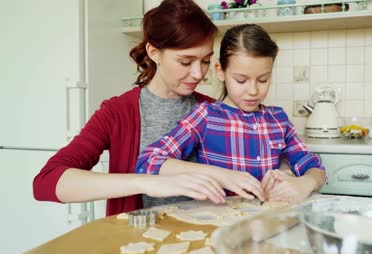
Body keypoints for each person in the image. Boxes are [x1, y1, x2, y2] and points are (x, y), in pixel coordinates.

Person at [32, 0, 262, 216]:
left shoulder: (215, 112)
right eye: (185, 61)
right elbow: (47, 182)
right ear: (154, 53)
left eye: (204, 61)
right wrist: (147, 182)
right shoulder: (118, 113)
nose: (198, 73)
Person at [136, 24, 327, 203]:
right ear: (221, 71)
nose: (253, 91)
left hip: (267, 224)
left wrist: (305, 183)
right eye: (241, 80)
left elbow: (314, 166)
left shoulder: (278, 119)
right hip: (218, 226)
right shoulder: (206, 116)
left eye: (263, 80)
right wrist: (218, 174)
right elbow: (149, 161)